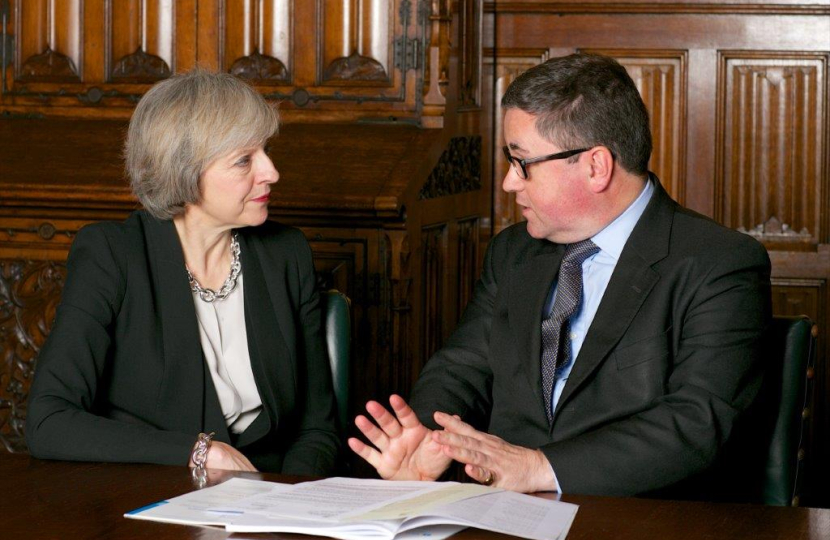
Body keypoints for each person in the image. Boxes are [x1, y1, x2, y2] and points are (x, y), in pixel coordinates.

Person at [349, 53, 771, 496]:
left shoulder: (719, 263)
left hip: (637, 517)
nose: (510, 183)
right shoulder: (512, 252)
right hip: (500, 512)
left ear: (595, 166)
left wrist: (541, 468)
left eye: (521, 163)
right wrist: (429, 438)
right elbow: (463, 368)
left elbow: (698, 421)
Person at [26, 70, 340, 475]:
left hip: (272, 505)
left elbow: (316, 431)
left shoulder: (286, 253)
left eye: (265, 151)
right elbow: (48, 421)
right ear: (185, 174)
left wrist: (284, 504)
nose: (271, 172)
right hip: (148, 501)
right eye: (244, 160)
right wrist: (200, 453)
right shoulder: (113, 255)